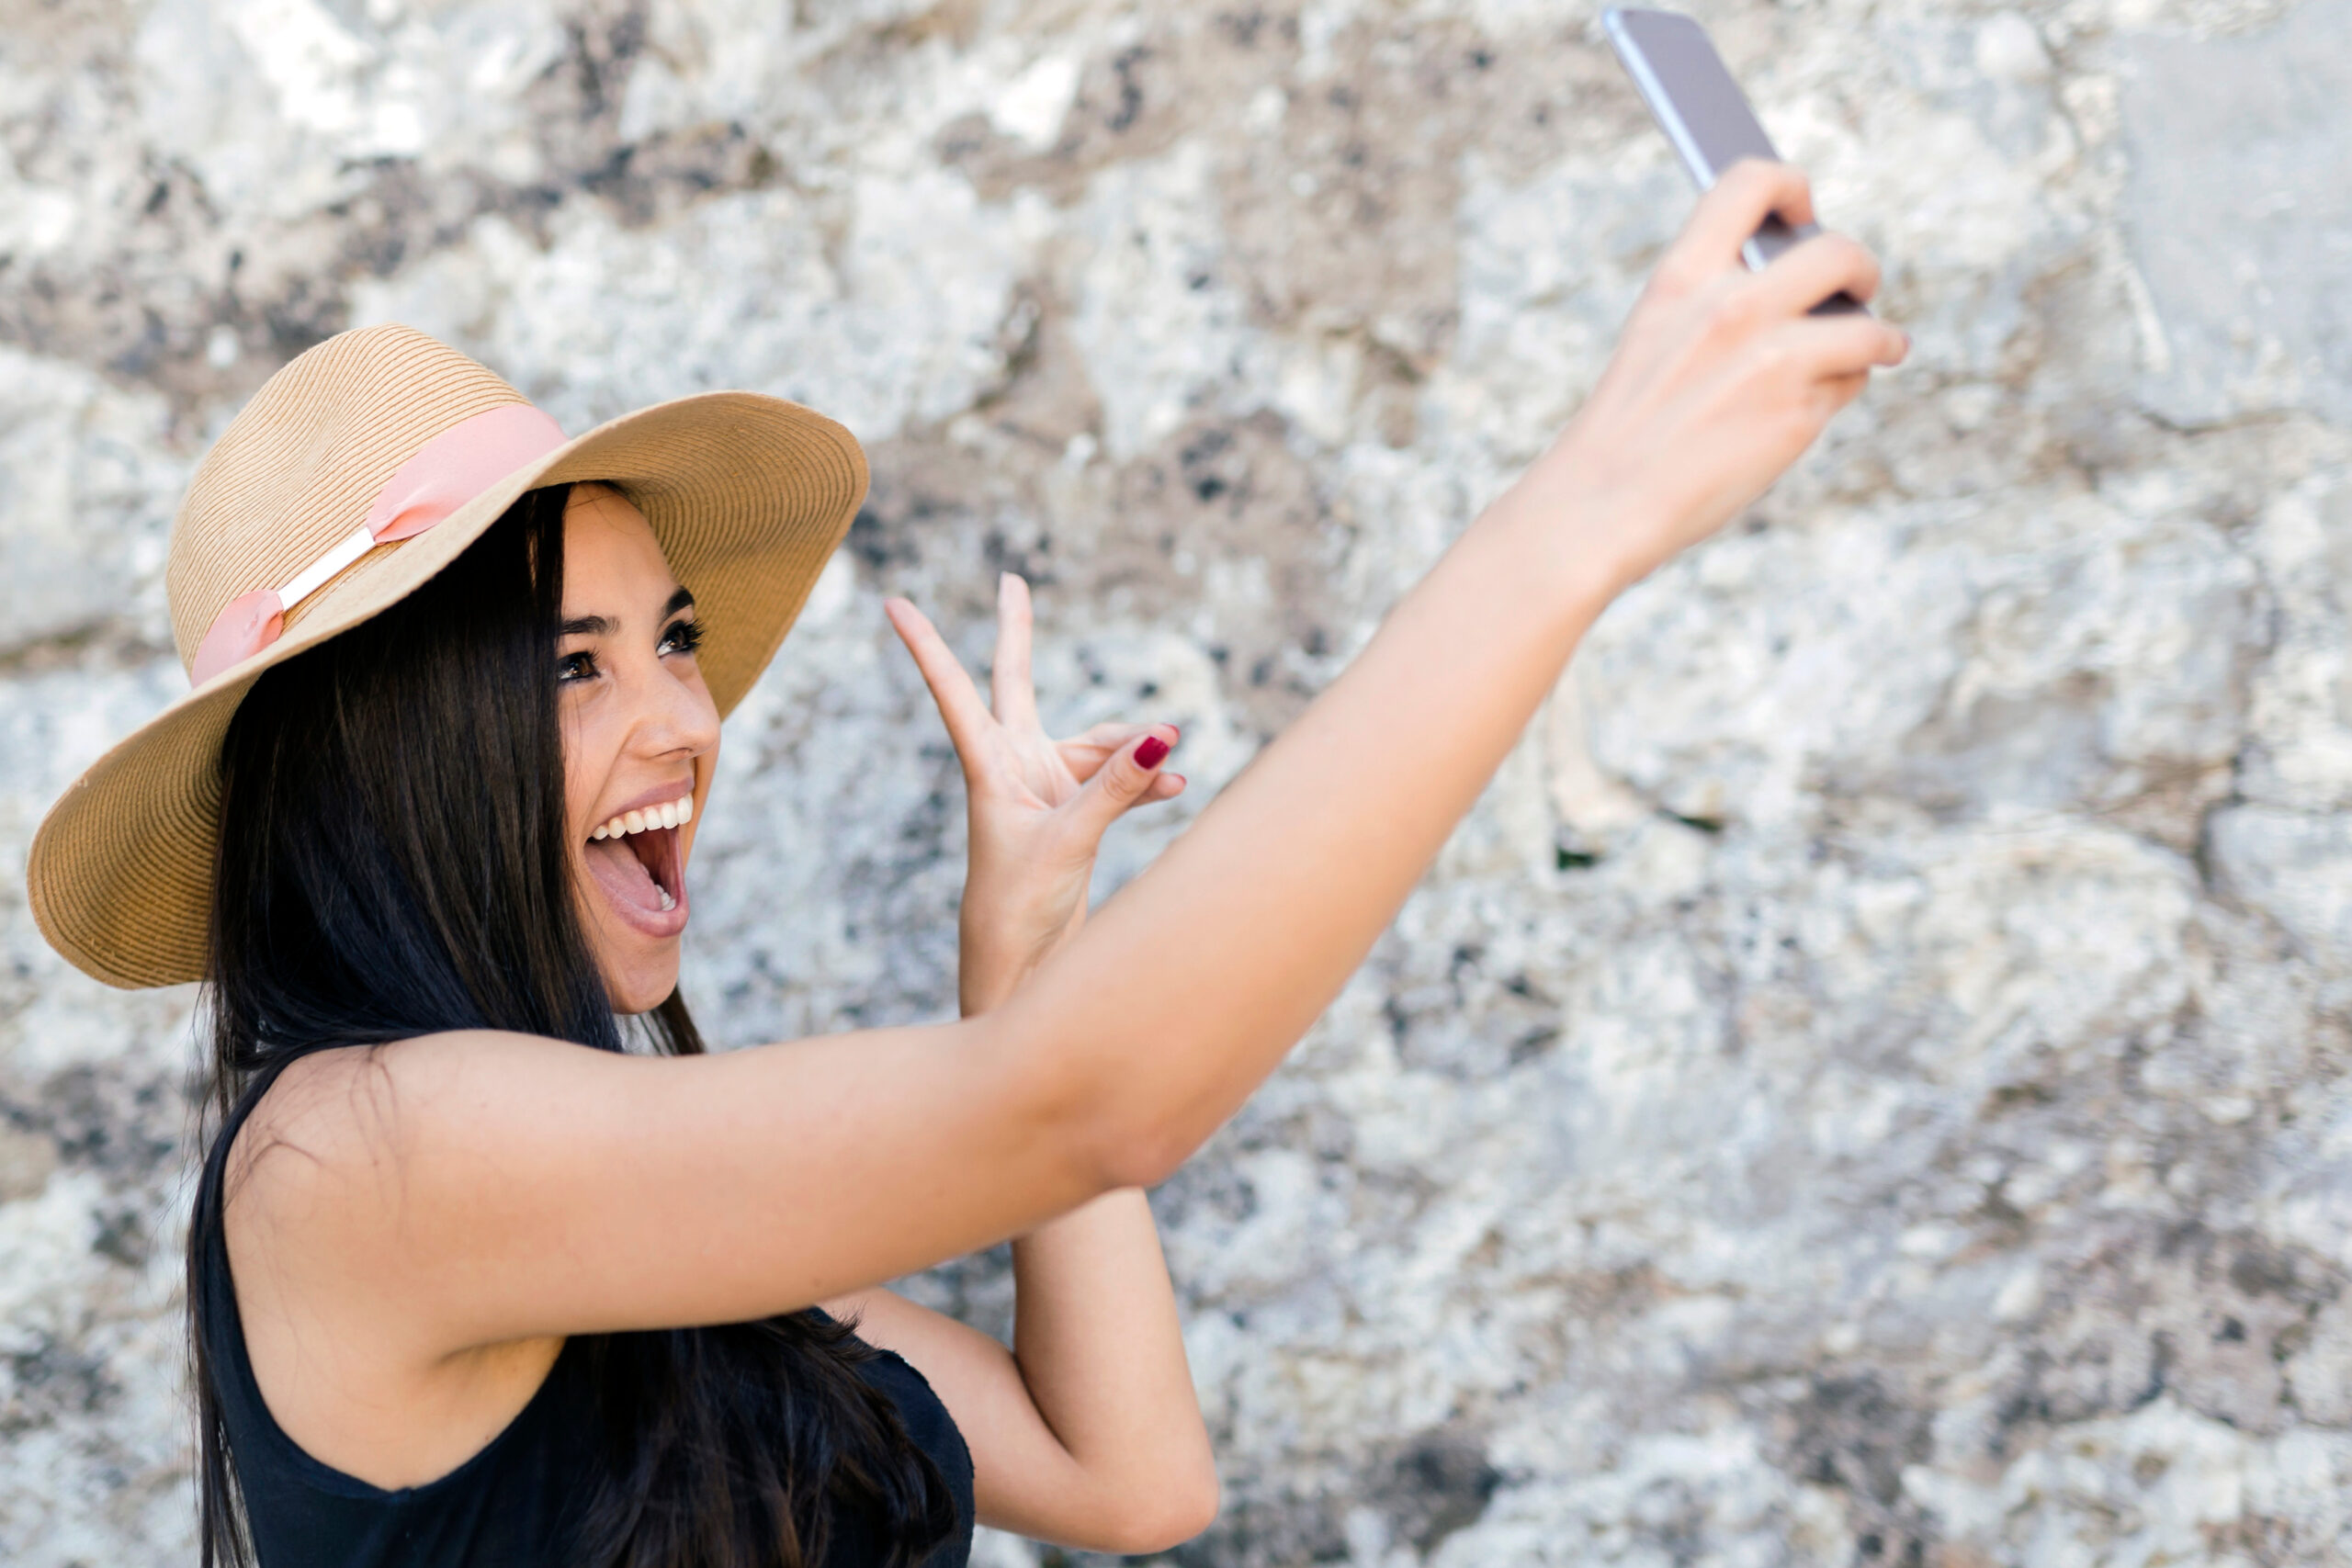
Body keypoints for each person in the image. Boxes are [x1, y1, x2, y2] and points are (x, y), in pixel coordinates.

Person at [24, 161, 1904, 1568]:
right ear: (382, 764)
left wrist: (1021, 953)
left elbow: (1128, 1473)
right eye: (571, 666)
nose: (683, 718)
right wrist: (1574, 520)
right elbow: (1088, 1105)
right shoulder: (361, 1154)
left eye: (671, 638)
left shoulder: (643, 1233)